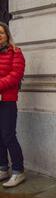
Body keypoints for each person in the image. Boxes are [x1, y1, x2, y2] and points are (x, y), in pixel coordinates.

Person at [0, 22, 26, 188]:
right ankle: (3, 168)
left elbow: (15, 75)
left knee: (8, 135)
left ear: (7, 35)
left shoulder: (16, 52)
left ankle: (18, 171)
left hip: (7, 100)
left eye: (1, 33)